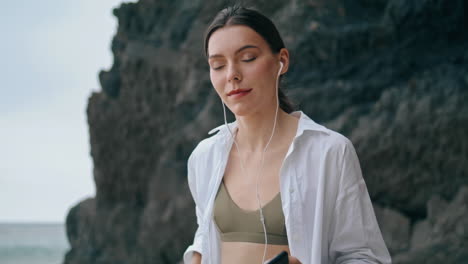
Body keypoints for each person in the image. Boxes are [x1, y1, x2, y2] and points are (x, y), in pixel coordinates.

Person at [183, 5, 391, 264]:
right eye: (218, 65)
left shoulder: (329, 152)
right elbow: (205, 239)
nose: (232, 75)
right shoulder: (204, 157)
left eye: (247, 58)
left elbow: (364, 257)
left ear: (281, 60)